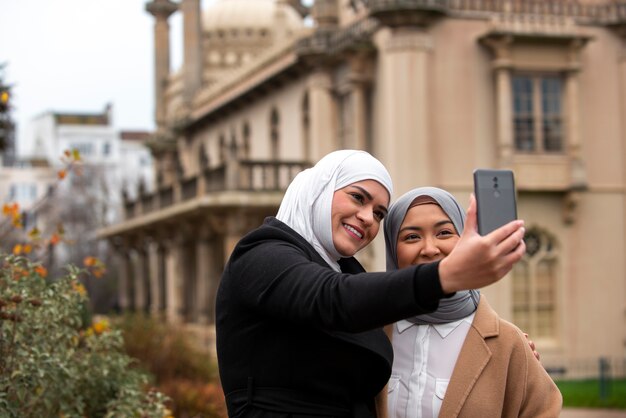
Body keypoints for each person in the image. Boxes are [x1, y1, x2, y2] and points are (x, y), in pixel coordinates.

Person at [216, 150, 526, 418]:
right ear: (320, 189)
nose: (368, 218)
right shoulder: (261, 254)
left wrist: (502, 348)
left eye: (379, 213)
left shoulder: (347, 273)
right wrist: (445, 275)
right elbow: (334, 301)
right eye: (357, 197)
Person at [383, 187, 562, 418]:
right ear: (391, 248)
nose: (429, 249)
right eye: (411, 237)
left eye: (444, 233)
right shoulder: (372, 336)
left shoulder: (507, 343)